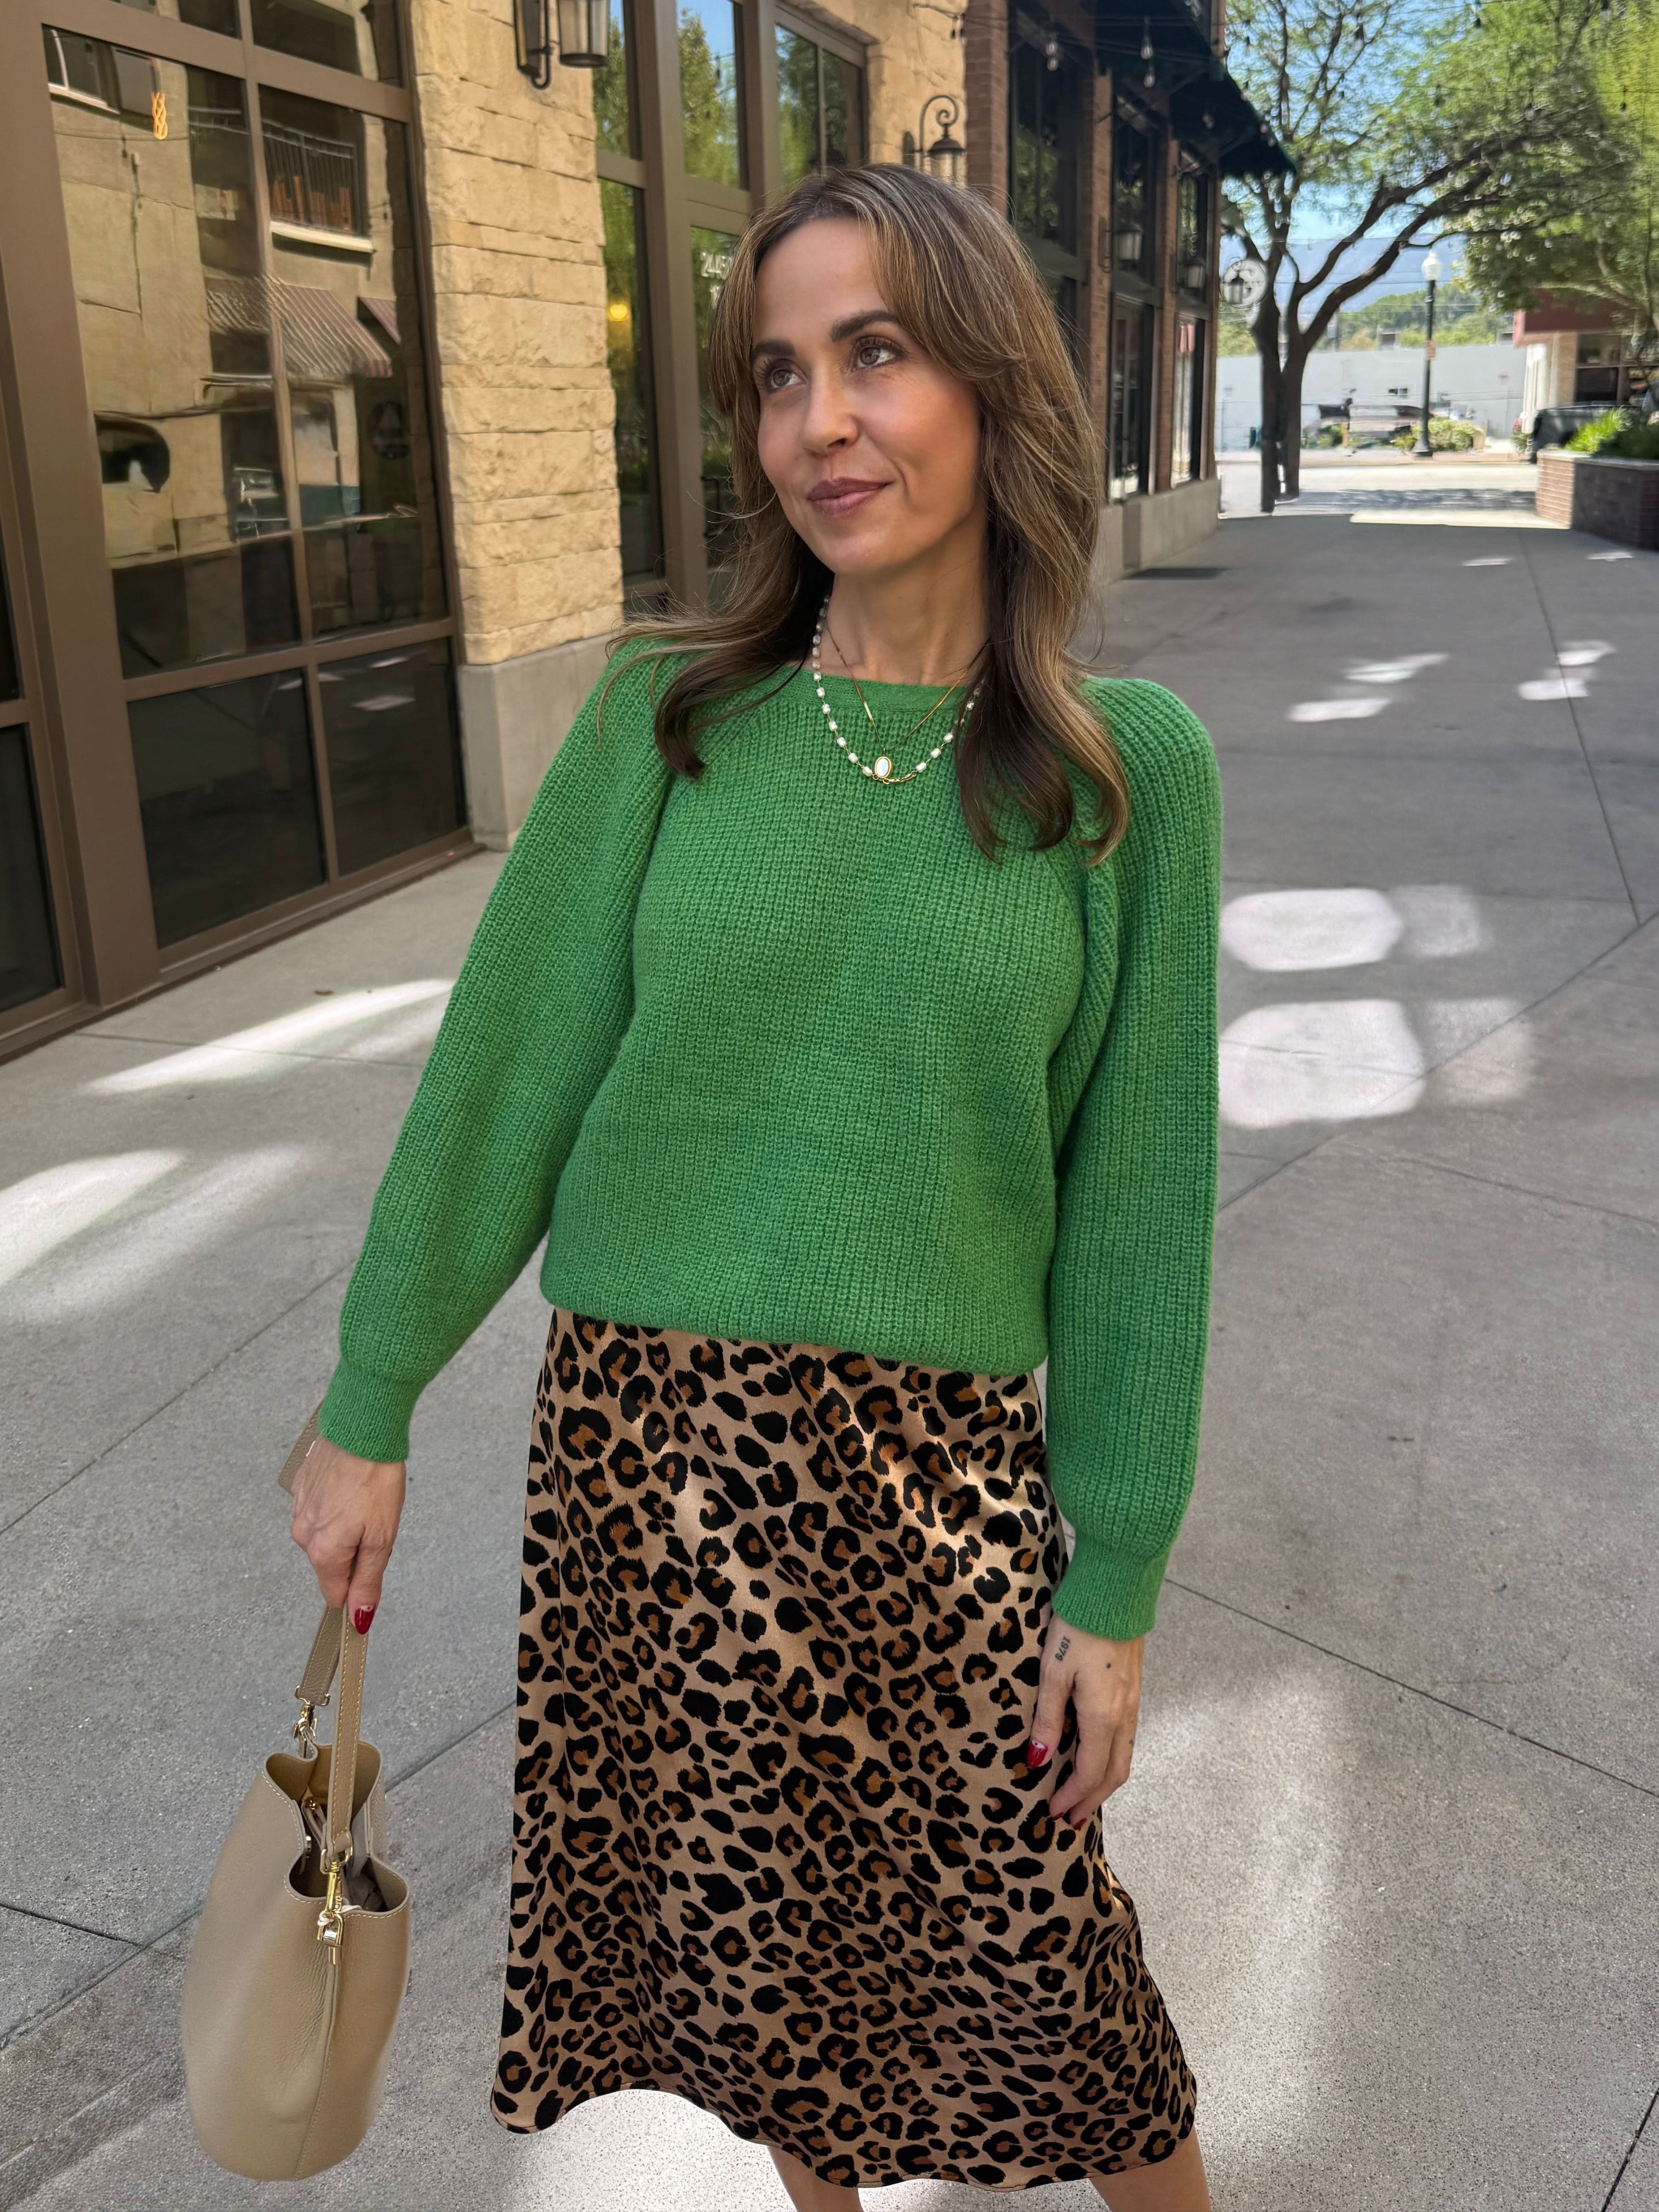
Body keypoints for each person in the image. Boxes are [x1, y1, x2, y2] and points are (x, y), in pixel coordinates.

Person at [291, 162, 1221, 2212]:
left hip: (940, 1479)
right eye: (778, 373)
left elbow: (1140, 1212)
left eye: (874, 354)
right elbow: (502, 1079)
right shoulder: (663, 722)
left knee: (1060, 1998)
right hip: (653, 1466)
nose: (820, 422)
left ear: (986, 384)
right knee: (768, 1987)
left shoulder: (1116, 772)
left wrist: (1117, 1568)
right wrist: (375, 1393)